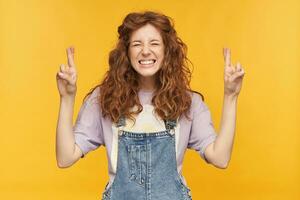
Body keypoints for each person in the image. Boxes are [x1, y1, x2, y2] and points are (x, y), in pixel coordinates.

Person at [56, 11, 245, 200]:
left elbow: (220, 158)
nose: (145, 51)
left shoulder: (189, 103)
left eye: (154, 43)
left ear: (167, 51)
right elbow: (65, 158)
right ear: (126, 52)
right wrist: (67, 98)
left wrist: (231, 96)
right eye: (137, 44)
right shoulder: (104, 99)